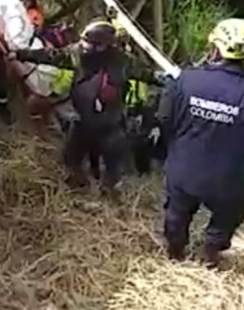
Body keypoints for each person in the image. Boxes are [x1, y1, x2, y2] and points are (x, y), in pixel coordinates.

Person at [155, 18, 244, 269]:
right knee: (231, 212)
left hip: (183, 171)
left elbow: (164, 119)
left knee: (176, 212)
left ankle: (175, 252)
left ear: (216, 49)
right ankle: (210, 251)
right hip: (225, 180)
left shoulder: (184, 80)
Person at [12, 19, 159, 199]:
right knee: (70, 158)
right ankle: (80, 191)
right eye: (84, 42)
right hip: (82, 121)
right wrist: (21, 54)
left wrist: (173, 79)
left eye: (90, 44)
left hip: (110, 125)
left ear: (104, 46)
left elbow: (149, 75)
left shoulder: (123, 61)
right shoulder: (76, 53)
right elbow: (52, 55)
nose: (85, 47)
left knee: (113, 168)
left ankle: (109, 198)